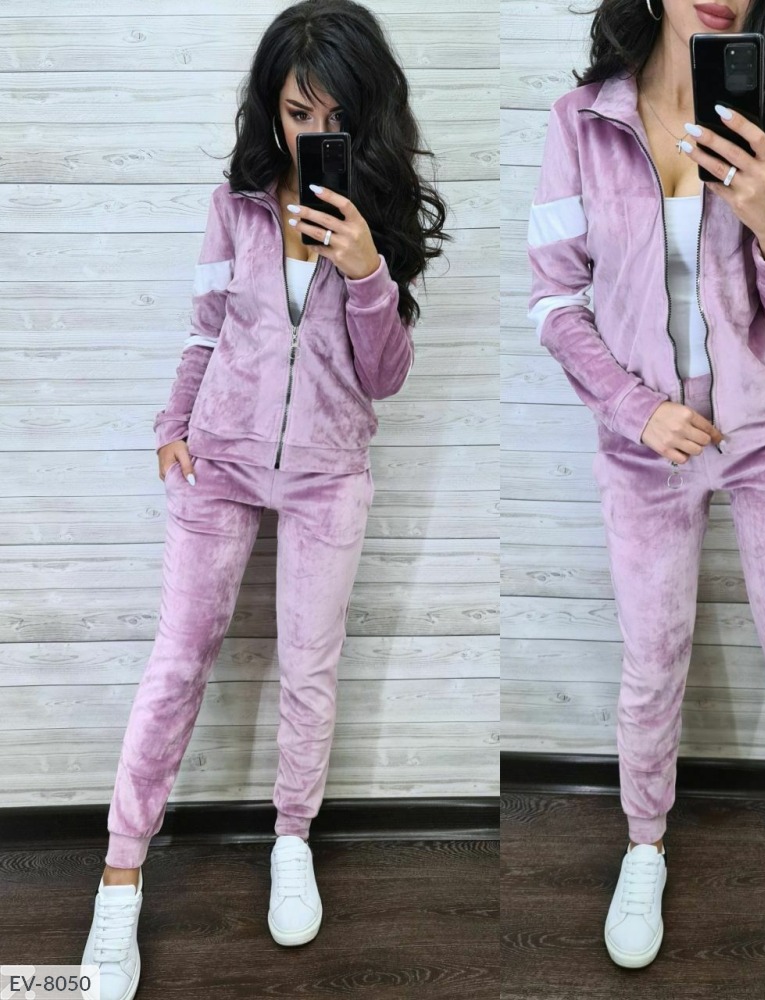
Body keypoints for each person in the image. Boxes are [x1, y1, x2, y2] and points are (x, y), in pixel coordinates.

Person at [526, 0, 765, 993]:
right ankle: (644, 845)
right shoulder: (581, 124)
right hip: (643, 445)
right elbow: (554, 299)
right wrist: (635, 408)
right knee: (651, 662)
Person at [80, 2, 447, 997]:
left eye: (334, 117)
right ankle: (119, 879)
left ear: (365, 115)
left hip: (330, 470)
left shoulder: (378, 217)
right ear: (270, 107)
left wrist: (366, 270)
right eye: (295, 112)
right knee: (177, 662)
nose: (312, 134)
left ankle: (292, 839)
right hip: (221, 461)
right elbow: (206, 328)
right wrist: (173, 424)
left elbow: (385, 377)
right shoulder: (234, 206)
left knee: (308, 669)